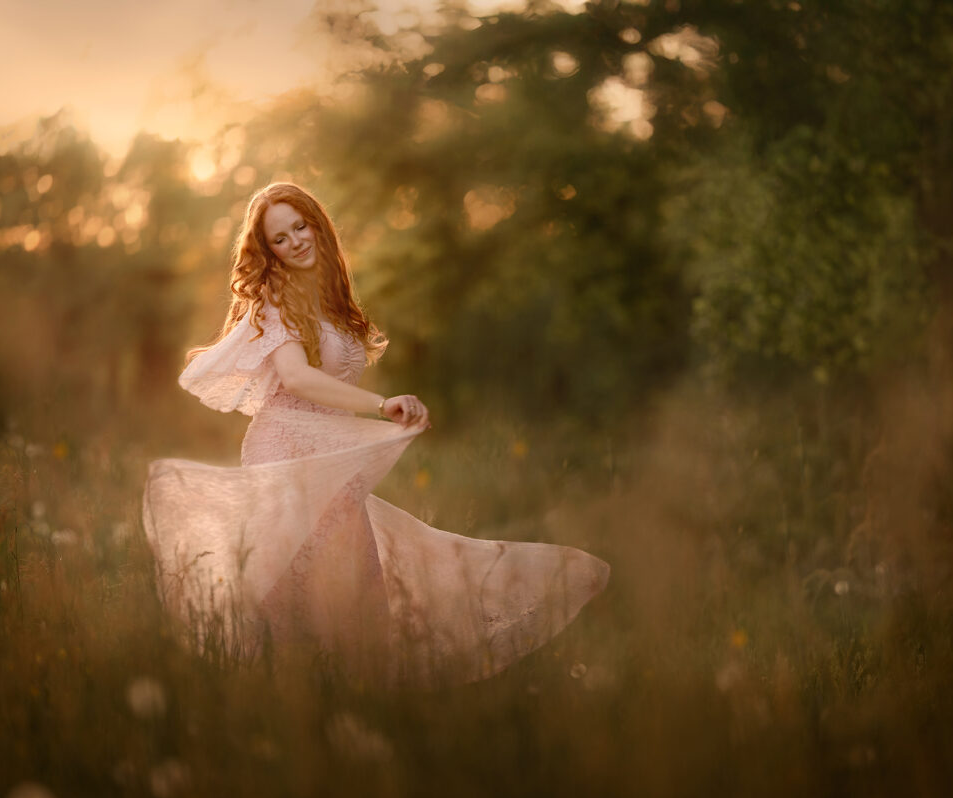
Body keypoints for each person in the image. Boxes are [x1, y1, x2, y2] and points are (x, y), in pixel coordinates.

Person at [142, 182, 609, 686]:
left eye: (301, 226)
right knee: (297, 584)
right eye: (280, 238)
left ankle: (355, 697)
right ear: (268, 252)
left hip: (330, 456)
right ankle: (289, 705)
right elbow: (297, 379)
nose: (296, 241)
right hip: (285, 452)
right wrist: (381, 406)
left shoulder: (331, 297)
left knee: (355, 579)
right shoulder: (275, 298)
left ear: (318, 225)